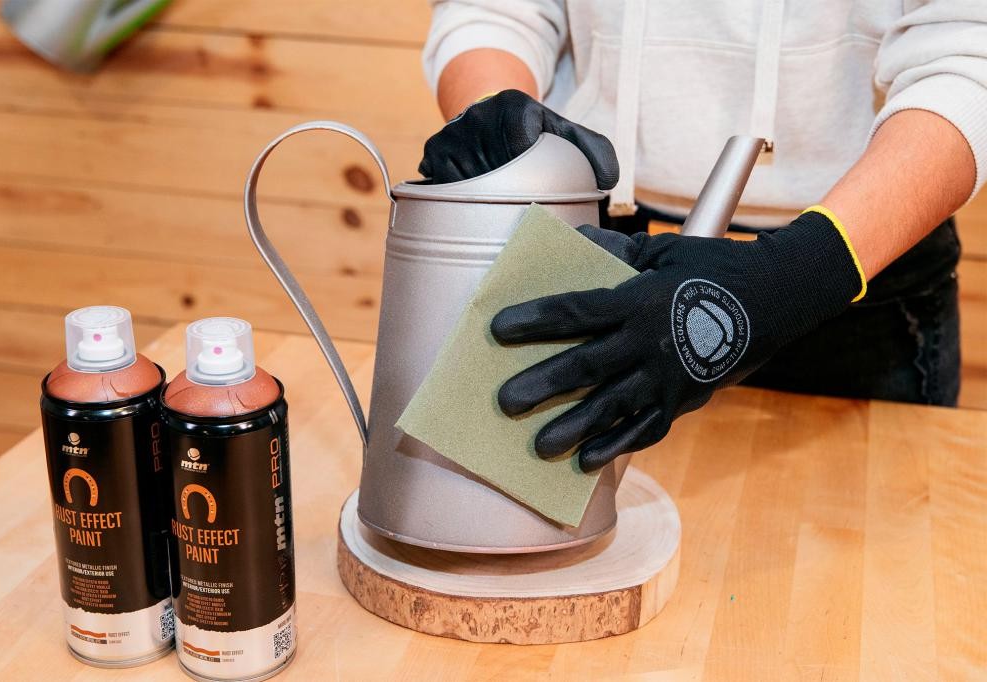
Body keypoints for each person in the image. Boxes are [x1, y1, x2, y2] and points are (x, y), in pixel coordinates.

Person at [419, 1, 987, 472]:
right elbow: (494, 11)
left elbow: (969, 57)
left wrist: (800, 274)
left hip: (849, 268)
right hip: (595, 251)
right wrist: (495, 125)